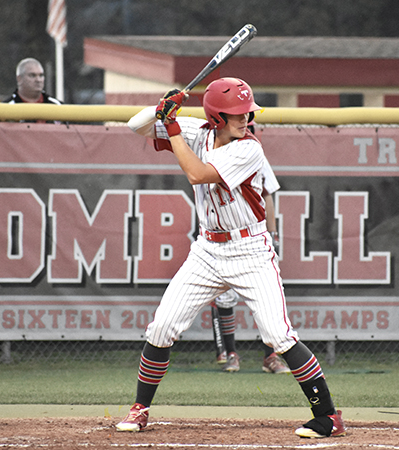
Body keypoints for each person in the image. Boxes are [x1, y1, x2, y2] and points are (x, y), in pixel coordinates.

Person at [117, 77, 345, 439]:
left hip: (250, 250)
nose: (246, 118)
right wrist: (164, 105)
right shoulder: (196, 130)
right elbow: (136, 125)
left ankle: (327, 417)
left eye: (247, 111)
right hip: (207, 250)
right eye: (237, 113)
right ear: (216, 117)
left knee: (278, 334)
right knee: (162, 326)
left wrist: (172, 123)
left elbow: (197, 173)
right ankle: (141, 408)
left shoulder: (249, 148)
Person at [215, 150, 290, 374]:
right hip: (224, 238)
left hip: (254, 240)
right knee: (225, 298)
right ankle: (231, 354)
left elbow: (267, 196)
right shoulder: (213, 154)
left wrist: (273, 235)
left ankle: (271, 356)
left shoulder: (255, 155)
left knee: (266, 300)